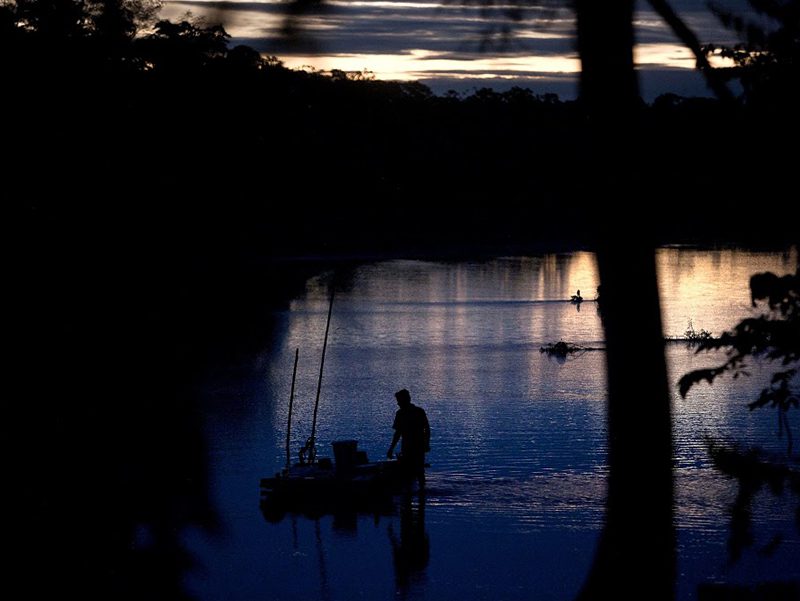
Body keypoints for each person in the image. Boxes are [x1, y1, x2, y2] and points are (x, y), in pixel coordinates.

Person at [387, 389, 430, 488]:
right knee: (413, 473)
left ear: (405, 400)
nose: (397, 403)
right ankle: (417, 495)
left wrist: (426, 444)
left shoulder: (417, 412)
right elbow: (398, 433)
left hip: (415, 447)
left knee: (416, 473)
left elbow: (426, 429)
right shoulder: (402, 413)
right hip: (410, 447)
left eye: (399, 400)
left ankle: (416, 495)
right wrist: (391, 448)